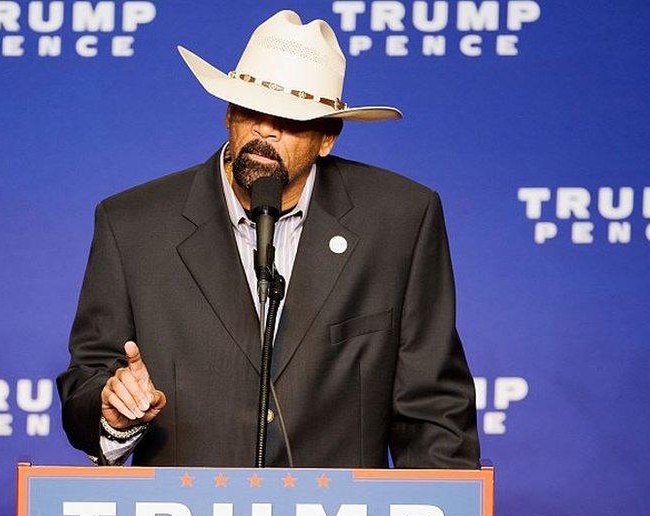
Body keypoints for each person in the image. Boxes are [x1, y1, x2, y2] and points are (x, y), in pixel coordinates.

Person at [57, 10, 480, 469]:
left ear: (327, 137)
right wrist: (115, 413)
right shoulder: (133, 225)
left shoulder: (399, 219)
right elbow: (86, 384)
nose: (266, 130)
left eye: (291, 119)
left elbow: (434, 409)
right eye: (251, 110)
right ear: (228, 113)